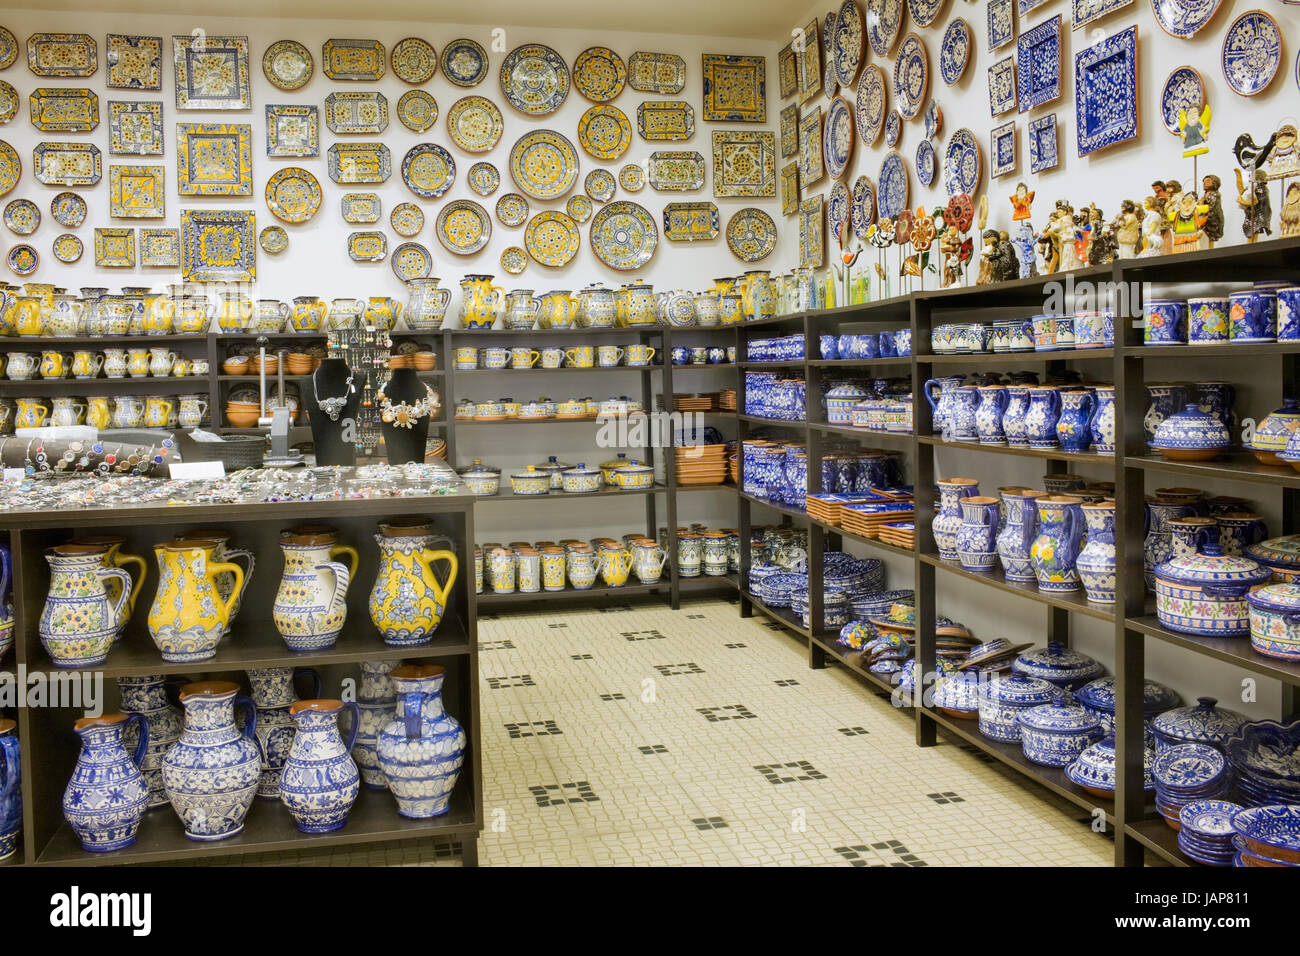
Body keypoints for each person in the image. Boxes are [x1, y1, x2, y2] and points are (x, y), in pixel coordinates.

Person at [1201, 174, 1224, 246]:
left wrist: (1202, 204)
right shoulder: (1205, 195)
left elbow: (1211, 207)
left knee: (1210, 237)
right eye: (1204, 182)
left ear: (1215, 183)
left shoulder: (1215, 194)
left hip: (1212, 220)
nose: (1205, 183)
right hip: (1205, 219)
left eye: (1208, 181)